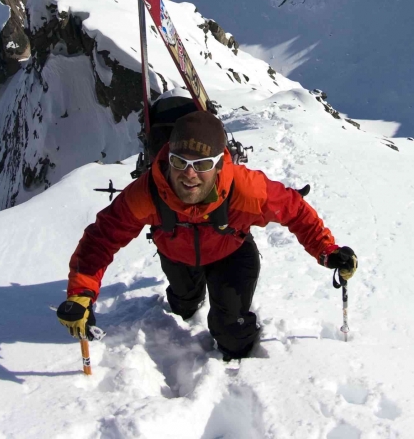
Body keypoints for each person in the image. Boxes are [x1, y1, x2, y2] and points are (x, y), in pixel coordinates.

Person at [56, 110, 357, 361]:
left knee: (232, 335)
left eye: (201, 165)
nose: (189, 174)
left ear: (218, 164)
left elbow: (294, 209)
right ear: (168, 158)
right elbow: (102, 237)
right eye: (180, 163)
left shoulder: (244, 190)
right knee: (183, 306)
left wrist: (327, 250)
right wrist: (81, 293)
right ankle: (188, 298)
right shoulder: (147, 194)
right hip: (177, 255)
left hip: (232, 255)